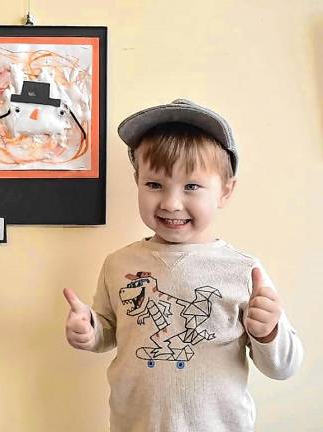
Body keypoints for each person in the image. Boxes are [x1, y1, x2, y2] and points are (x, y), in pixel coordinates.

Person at [63, 99, 303, 432]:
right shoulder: (119, 264)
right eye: (154, 184)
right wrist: (89, 330)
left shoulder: (246, 272)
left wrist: (269, 332)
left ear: (225, 192)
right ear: (137, 182)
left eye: (191, 186)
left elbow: (284, 367)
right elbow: (108, 331)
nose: (171, 202)